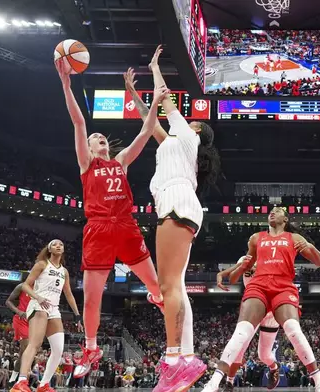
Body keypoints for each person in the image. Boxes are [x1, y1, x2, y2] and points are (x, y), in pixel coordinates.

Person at [55, 58, 165, 379]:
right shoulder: (87, 164)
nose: (100, 137)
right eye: (96, 136)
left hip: (126, 226)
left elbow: (146, 132)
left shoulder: (120, 161)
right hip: (99, 230)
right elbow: (78, 122)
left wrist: (153, 100)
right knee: (92, 300)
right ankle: (91, 347)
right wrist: (66, 84)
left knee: (156, 285)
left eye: (102, 136)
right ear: (89, 146)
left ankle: (155, 295)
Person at [131, 45, 220, 392]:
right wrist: (135, 97)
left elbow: (165, 100)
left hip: (176, 201)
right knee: (176, 286)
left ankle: (173, 361)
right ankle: (185, 357)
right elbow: (151, 120)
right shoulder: (174, 143)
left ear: (197, 130)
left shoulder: (186, 135)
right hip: (178, 201)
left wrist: (155, 68)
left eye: (192, 120)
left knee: (168, 286)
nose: (187, 118)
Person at [202, 207, 320, 392]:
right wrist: (224, 273)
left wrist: (310, 246)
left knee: (291, 330)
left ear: (285, 219)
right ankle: (214, 383)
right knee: (241, 332)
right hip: (259, 286)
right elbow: (240, 270)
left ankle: (319, 382)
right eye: (270, 210)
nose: (272, 212)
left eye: (277, 210)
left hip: (283, 286)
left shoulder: (294, 239)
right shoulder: (256, 238)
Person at [9, 240, 83, 392]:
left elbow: (68, 295)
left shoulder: (64, 271)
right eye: (55, 244)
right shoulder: (42, 264)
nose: (58, 246)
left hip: (54, 309)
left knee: (58, 349)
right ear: (49, 249)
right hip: (38, 305)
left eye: (61, 245)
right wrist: (37, 297)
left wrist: (77, 316)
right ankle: (21, 382)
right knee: (35, 344)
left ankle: (44, 385)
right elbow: (25, 285)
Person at [215, 256, 281, 392]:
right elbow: (232, 277)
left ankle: (274, 368)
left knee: (264, 355)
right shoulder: (245, 259)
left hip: (271, 306)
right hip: (254, 304)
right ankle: (229, 383)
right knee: (239, 348)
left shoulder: (273, 258)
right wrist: (240, 267)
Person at [6, 283, 31, 383]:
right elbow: (8, 302)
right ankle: (21, 380)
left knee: (24, 353)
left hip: (34, 320)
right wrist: (18, 311)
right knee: (26, 350)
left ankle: (13, 380)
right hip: (21, 319)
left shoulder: (42, 286)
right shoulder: (22, 286)